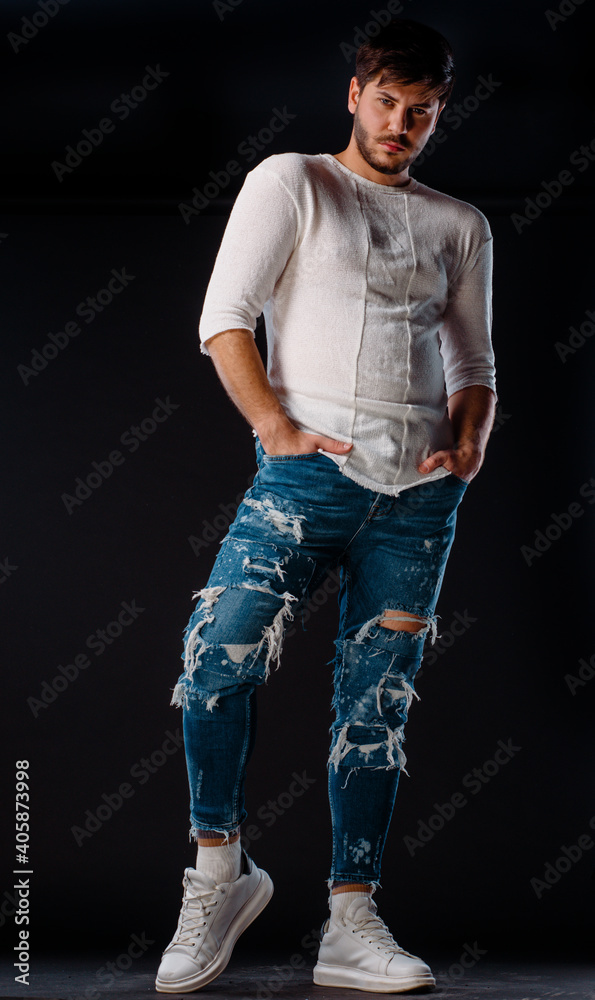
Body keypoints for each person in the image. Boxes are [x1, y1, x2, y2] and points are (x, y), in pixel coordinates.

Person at [155, 17, 496, 995]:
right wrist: (274, 426)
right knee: (217, 656)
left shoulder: (459, 224)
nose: (400, 124)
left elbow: (474, 363)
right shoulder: (292, 182)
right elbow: (224, 318)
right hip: (306, 479)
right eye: (386, 102)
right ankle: (219, 872)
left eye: (420, 111)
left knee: (375, 705)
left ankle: (351, 920)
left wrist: (468, 444)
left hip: (418, 501)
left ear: (438, 113)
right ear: (355, 93)